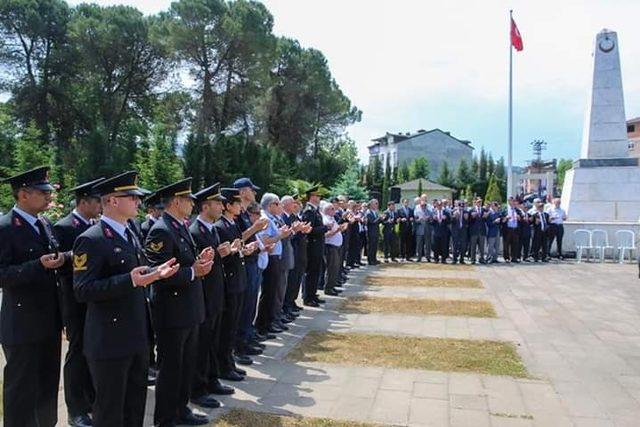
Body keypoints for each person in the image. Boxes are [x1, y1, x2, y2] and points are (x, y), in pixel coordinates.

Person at [73, 171, 179, 426]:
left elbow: (138, 273)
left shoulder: (130, 231)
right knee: (110, 410)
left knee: (134, 406)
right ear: (112, 201)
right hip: (109, 340)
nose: (138, 202)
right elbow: (82, 290)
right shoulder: (91, 239)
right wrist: (129, 280)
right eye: (131, 197)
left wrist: (155, 273)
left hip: (136, 335)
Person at [0, 166, 66, 427]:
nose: (48, 197)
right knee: (21, 389)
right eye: (42, 192)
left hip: (48, 319)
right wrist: (37, 265)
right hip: (22, 322)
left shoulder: (44, 224)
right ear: (23, 195)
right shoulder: (6, 227)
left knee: (47, 384)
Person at [145, 178, 214, 426]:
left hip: (189, 308)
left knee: (185, 365)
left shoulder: (180, 225)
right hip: (172, 312)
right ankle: (165, 418)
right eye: (189, 200)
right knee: (171, 369)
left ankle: (181, 410)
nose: (192, 204)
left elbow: (184, 260)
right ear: (176, 201)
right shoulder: (161, 230)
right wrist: (194, 271)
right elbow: (158, 275)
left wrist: (200, 259)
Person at [54, 177, 104, 427]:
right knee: (77, 352)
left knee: (92, 350)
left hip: (94, 300)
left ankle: (90, 397)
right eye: (97, 200)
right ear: (83, 201)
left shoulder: (95, 224)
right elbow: (60, 268)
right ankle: (76, 409)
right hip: (74, 300)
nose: (100, 204)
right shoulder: (65, 226)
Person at [189, 183, 236, 409]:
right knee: (202, 344)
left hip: (216, 293)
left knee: (212, 340)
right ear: (205, 206)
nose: (221, 206)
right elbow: (196, 265)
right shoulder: (196, 231)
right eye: (217, 203)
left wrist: (224, 254)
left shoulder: (212, 229)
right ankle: (198, 388)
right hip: (204, 296)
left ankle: (211, 378)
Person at [214, 188, 258, 382]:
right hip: (230, 282)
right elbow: (224, 256)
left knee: (233, 325)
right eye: (237, 203)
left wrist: (244, 250)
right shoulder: (221, 226)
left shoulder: (231, 224)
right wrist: (237, 251)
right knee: (227, 327)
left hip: (238, 280)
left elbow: (235, 249)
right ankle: (224, 365)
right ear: (228, 206)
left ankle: (229, 362)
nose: (241, 207)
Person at [233, 177, 269, 359]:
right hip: (244, 263)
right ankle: (239, 345)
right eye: (251, 190)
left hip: (252, 261)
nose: (254, 193)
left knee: (249, 305)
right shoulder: (237, 214)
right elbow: (237, 238)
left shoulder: (245, 213)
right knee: (244, 305)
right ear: (242, 192)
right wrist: (255, 228)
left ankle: (247, 337)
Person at [255, 193, 292, 334]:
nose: (280, 206)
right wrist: (280, 236)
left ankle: (269, 322)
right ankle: (263, 324)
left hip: (276, 257)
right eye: (277, 203)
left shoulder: (272, 218)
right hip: (270, 258)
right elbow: (265, 240)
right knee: (269, 292)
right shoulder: (265, 219)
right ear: (270, 205)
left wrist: (282, 233)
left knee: (273, 292)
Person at [302, 186, 328, 307]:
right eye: (317, 196)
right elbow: (309, 230)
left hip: (317, 245)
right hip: (312, 246)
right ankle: (308, 297)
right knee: (311, 272)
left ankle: (313, 294)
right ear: (311, 197)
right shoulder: (309, 211)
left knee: (316, 271)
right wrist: (325, 228)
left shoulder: (315, 210)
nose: (319, 198)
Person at [321, 202, 346, 296]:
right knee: (331, 267)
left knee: (335, 267)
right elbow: (326, 235)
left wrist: (340, 229)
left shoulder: (332, 219)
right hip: (330, 246)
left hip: (336, 246)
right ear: (326, 210)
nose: (334, 211)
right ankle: (328, 288)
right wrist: (337, 231)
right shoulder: (325, 220)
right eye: (332, 209)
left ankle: (332, 286)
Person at [502, 197, 522, 263]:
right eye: (511, 201)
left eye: (513, 201)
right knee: (506, 244)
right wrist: (506, 218)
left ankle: (514, 257)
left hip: (515, 229)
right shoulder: (505, 209)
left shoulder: (517, 210)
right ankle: (506, 258)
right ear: (508, 201)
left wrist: (519, 218)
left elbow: (521, 217)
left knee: (515, 244)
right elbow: (501, 219)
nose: (512, 202)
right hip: (507, 229)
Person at [468, 197, 487, 264]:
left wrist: (485, 217)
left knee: (481, 247)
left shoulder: (484, 210)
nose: (479, 203)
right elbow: (469, 221)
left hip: (481, 231)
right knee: (473, 247)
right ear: (475, 202)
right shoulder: (471, 210)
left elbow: (486, 220)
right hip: (474, 231)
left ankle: (481, 259)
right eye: (478, 202)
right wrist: (472, 217)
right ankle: (473, 259)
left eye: (480, 202)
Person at [413, 196, 432, 262]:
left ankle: (428, 257)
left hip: (427, 229)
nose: (423, 206)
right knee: (419, 244)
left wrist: (428, 218)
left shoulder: (429, 211)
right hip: (419, 229)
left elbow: (431, 220)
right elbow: (415, 220)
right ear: (420, 205)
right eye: (422, 205)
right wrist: (419, 219)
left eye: (424, 205)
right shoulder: (417, 210)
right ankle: (419, 257)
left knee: (428, 244)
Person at [365, 199, 381, 265]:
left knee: (375, 246)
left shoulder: (375, 212)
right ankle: (370, 260)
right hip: (371, 232)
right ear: (371, 205)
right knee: (371, 246)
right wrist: (379, 218)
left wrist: (382, 219)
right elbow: (372, 222)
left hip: (376, 231)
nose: (377, 205)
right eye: (376, 203)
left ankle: (374, 259)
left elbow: (377, 222)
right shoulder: (368, 212)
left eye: (377, 203)